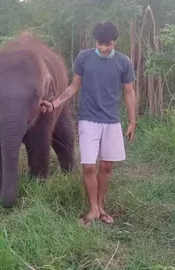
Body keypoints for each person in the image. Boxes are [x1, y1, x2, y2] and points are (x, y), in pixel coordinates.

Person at [40, 21, 137, 226]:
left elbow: (129, 92)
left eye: (108, 44)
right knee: (88, 166)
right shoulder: (84, 57)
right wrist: (54, 103)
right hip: (88, 121)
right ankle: (92, 209)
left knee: (107, 166)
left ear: (115, 41)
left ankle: (101, 206)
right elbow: (73, 87)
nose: (103, 48)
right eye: (100, 43)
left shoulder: (123, 62)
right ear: (95, 41)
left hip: (112, 122)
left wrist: (132, 121)